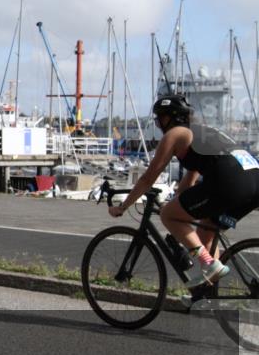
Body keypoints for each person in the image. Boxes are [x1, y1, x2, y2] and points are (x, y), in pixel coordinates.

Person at [108, 95, 259, 286]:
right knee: (205, 235)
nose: (158, 123)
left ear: (170, 117)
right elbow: (190, 179)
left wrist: (123, 206)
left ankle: (208, 264)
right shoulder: (200, 132)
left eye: (159, 118)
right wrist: (176, 201)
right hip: (253, 183)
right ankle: (206, 293)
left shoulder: (175, 134)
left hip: (230, 182)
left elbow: (148, 178)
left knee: (168, 216)